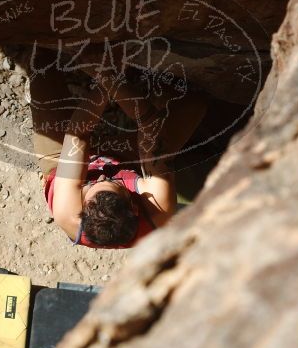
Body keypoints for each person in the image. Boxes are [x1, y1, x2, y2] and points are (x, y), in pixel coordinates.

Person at [28, 47, 207, 248]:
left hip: (61, 161)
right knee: (195, 105)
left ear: (83, 208)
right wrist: (113, 79)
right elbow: (149, 124)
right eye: (113, 182)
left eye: (95, 185)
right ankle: (145, 80)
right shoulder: (158, 207)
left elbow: (78, 132)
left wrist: (103, 78)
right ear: (135, 206)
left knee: (41, 67)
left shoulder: (67, 212)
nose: (104, 175)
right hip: (127, 160)